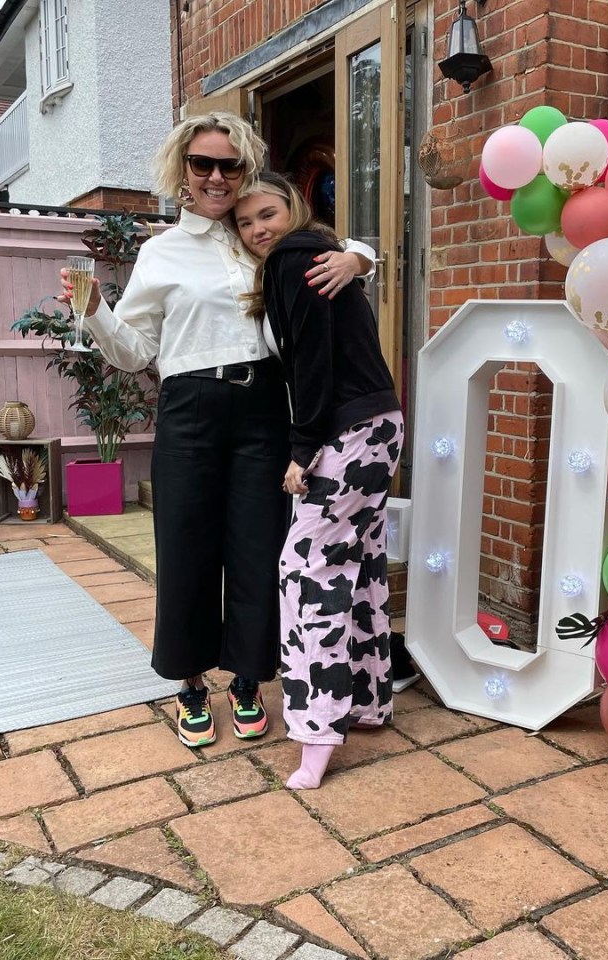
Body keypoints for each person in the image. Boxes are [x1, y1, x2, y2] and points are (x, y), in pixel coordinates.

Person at [59, 113, 375, 748]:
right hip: (191, 408)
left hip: (265, 406)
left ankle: (249, 680)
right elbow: (132, 350)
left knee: (260, 547)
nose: (216, 176)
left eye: (229, 165)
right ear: (182, 171)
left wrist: (358, 258)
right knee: (187, 547)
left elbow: (331, 249)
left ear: (245, 171)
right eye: (203, 164)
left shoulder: (257, 234)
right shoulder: (160, 252)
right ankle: (190, 683)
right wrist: (93, 311)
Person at [235, 173, 403, 789]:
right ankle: (366, 700)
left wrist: (300, 449)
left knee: (307, 571)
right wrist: (359, 256)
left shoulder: (292, 260)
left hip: (347, 431)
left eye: (268, 212)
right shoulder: (314, 255)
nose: (259, 228)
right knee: (359, 562)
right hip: (378, 425)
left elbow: (311, 361)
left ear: (293, 209)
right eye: (247, 221)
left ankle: (315, 730)